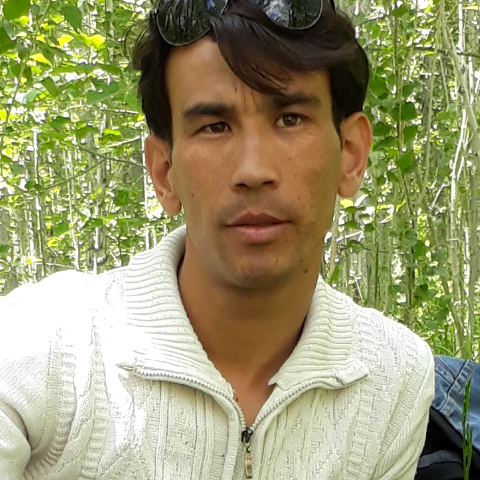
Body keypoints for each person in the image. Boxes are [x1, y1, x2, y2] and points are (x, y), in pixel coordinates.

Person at [0, 0, 434, 479]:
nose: (254, 169)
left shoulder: (393, 378)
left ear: (350, 155)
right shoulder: (39, 349)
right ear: (164, 173)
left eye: (289, 118)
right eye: (214, 127)